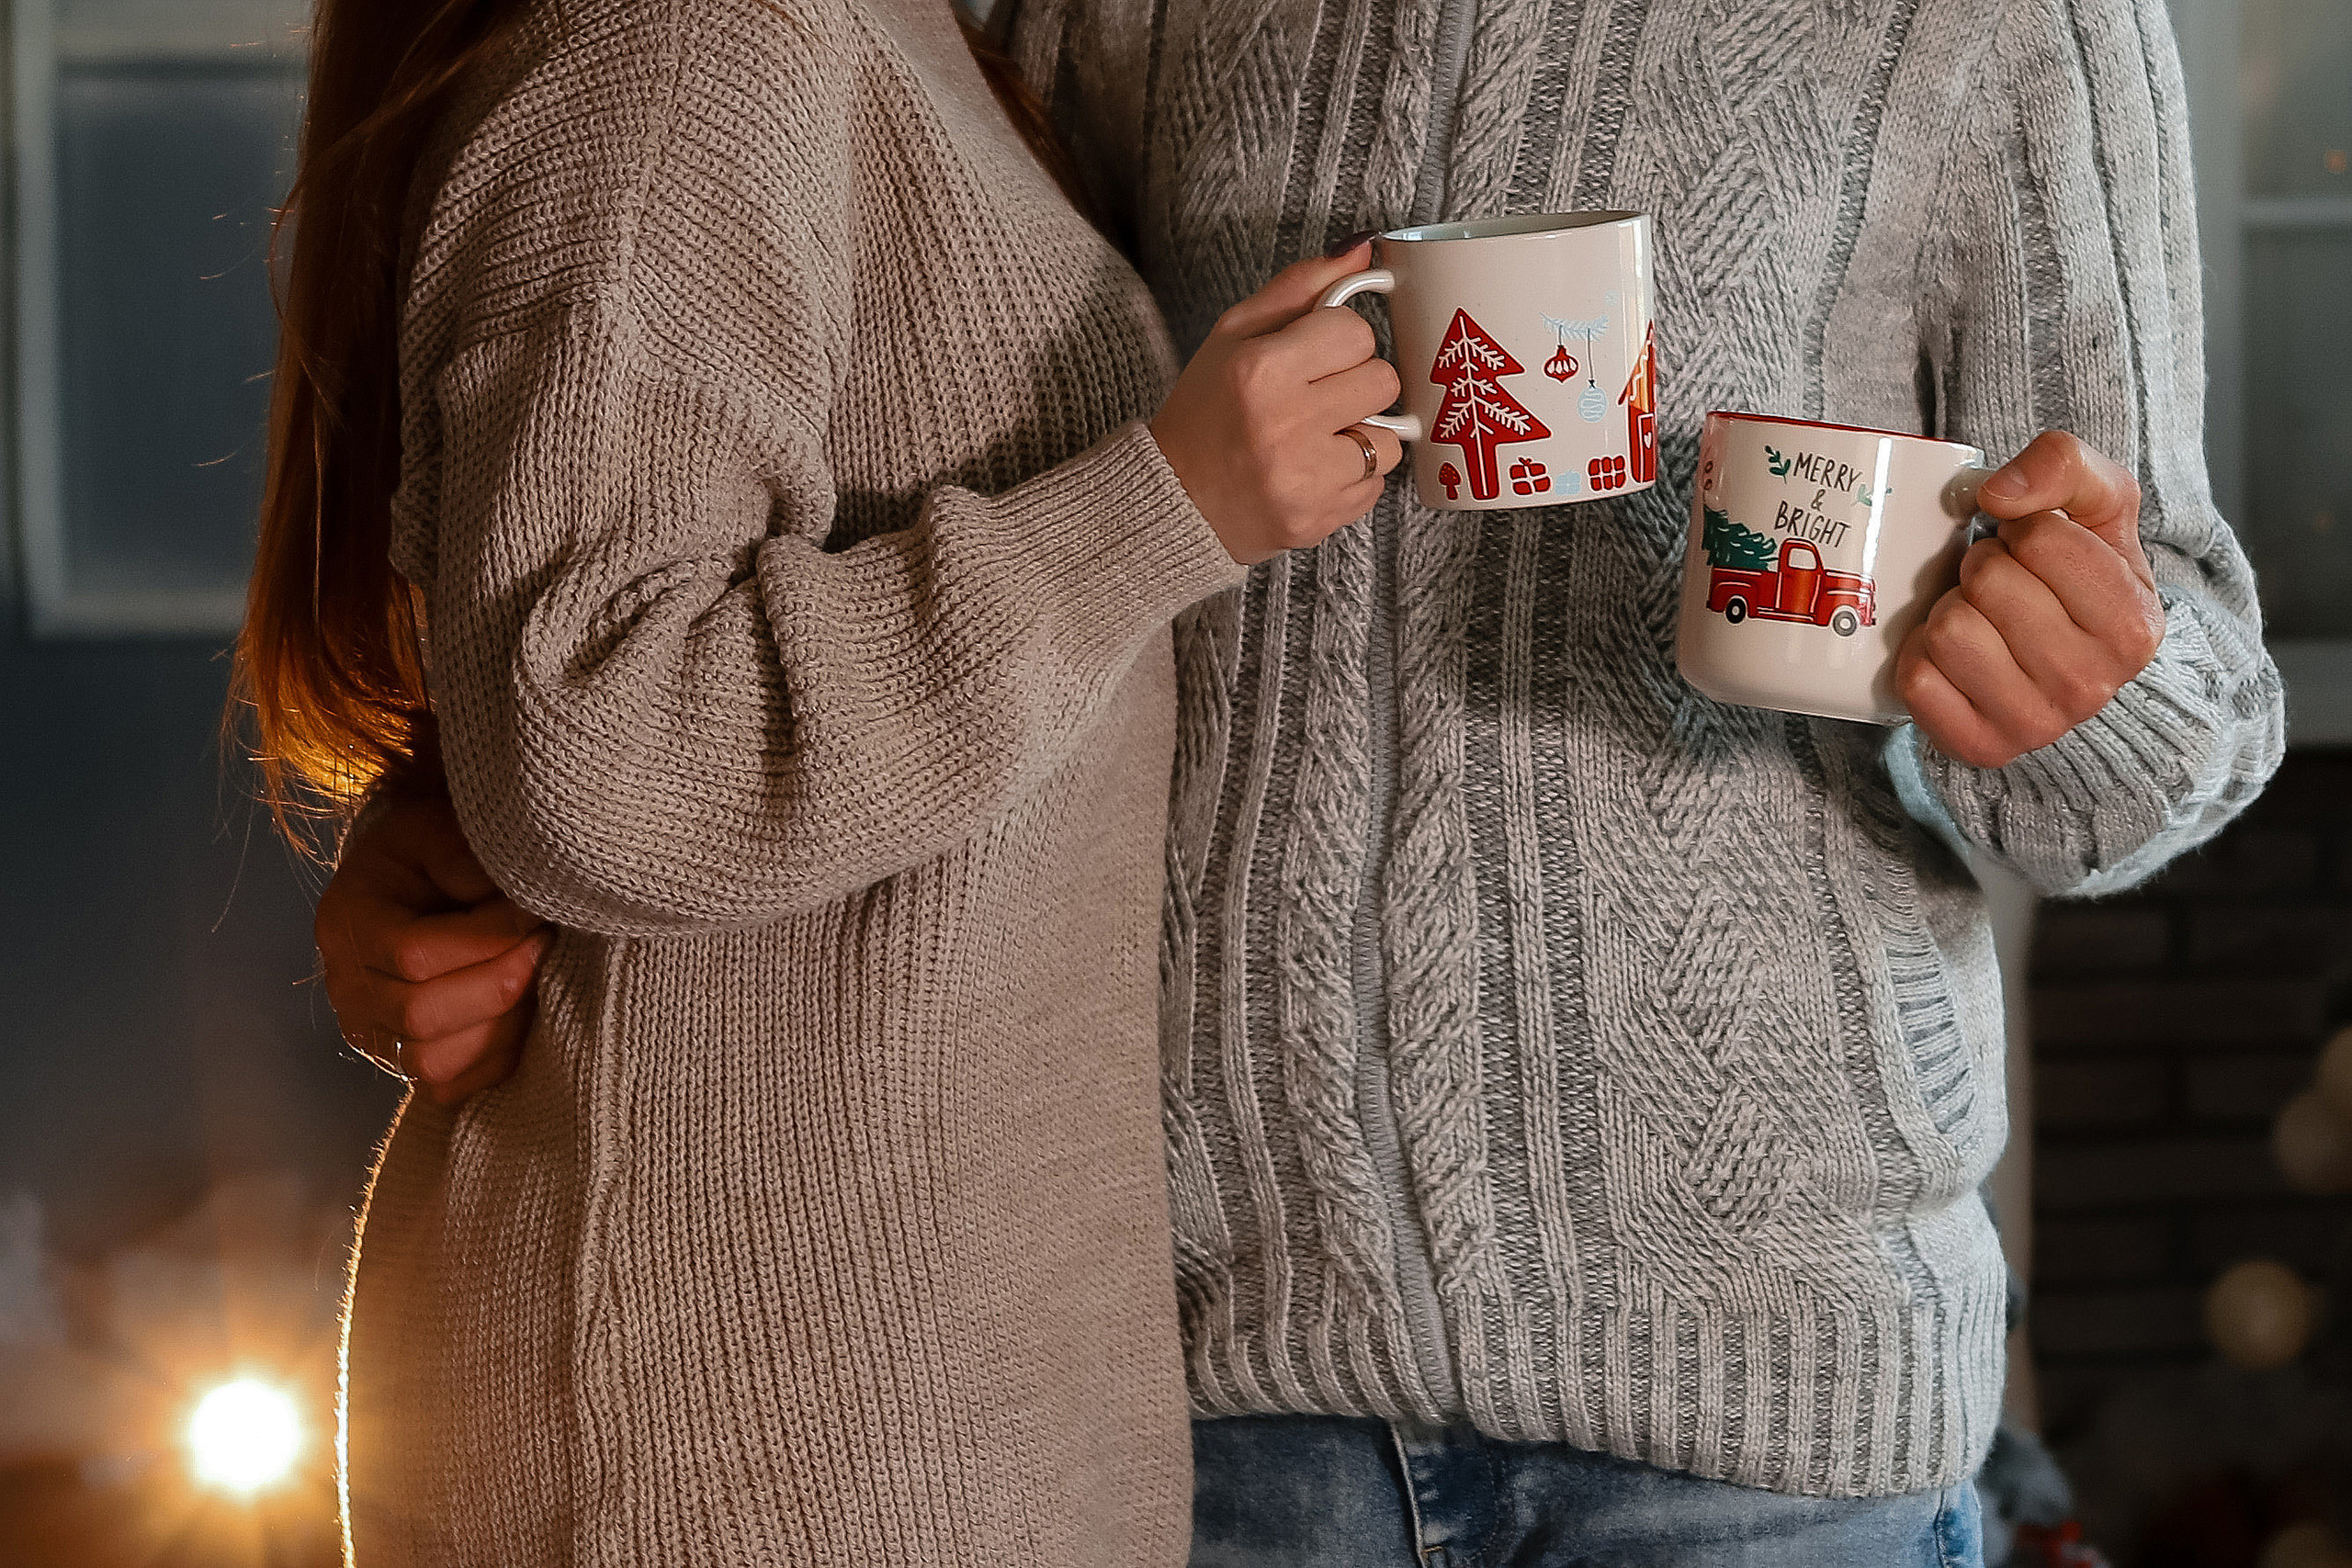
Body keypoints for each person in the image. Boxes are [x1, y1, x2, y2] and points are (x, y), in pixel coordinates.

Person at [321, 0, 2285, 1558]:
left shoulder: (1995, 19)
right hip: (1170, 1394)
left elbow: (2176, 691)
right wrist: (450, 837)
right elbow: (787, 439)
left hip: (1756, 1423)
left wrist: (2093, 690)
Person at [236, 0, 1412, 1561]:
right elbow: (601, 743)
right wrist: (1160, 505)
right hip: (747, 1430)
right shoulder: (694, 33)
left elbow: (572, 666)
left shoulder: (889, 36)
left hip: (882, 1406)